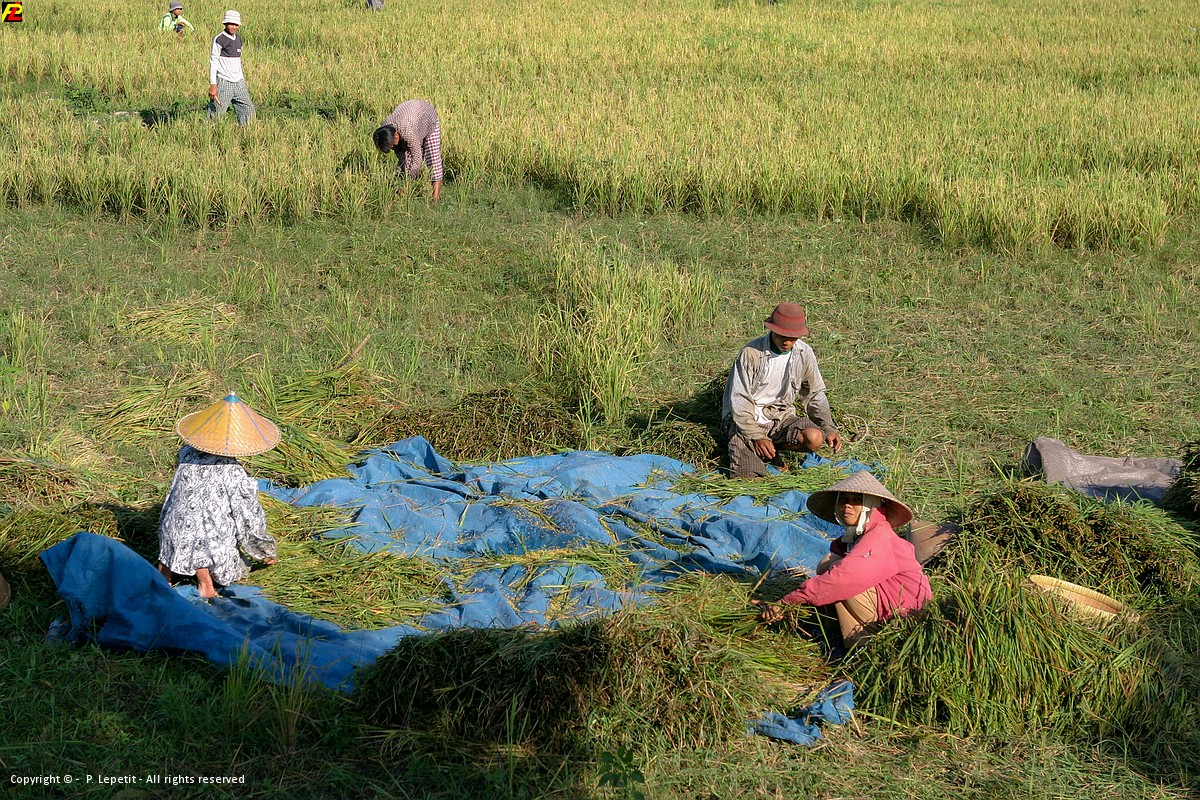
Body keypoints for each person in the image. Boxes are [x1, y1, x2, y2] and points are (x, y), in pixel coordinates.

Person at [752, 471, 932, 647]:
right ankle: (834, 634)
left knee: (841, 581)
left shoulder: (879, 536)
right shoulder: (851, 538)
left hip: (905, 617)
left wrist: (787, 601)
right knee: (829, 565)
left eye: (857, 500)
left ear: (872, 505)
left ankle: (866, 646)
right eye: (843, 499)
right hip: (885, 607)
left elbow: (843, 578)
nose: (847, 505)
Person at [157, 393, 280, 599]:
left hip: (171, 532)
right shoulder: (234, 473)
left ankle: (165, 573)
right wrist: (265, 551)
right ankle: (205, 583)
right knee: (223, 552)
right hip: (205, 544)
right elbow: (248, 519)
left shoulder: (186, 454)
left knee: (186, 522)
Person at [721, 302, 843, 478]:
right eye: (781, 336)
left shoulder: (804, 353)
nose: (786, 342)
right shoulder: (751, 353)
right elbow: (739, 399)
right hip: (745, 420)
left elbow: (814, 394)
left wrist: (828, 427)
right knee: (749, 477)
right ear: (772, 330)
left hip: (779, 415)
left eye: (792, 338)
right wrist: (756, 435)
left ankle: (772, 448)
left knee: (815, 438)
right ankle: (759, 450)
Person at [373, 100, 443, 202]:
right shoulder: (385, 129)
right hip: (411, 118)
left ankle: (435, 199)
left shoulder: (408, 131)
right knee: (405, 164)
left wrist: (408, 183)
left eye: (392, 145)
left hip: (428, 118)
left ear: (396, 135)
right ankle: (404, 192)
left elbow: (417, 159)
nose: (392, 147)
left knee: (433, 158)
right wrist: (403, 170)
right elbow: (400, 154)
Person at [208, 10, 255, 126]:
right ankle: (209, 133)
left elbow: (238, 62)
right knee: (216, 113)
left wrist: (242, 79)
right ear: (225, 23)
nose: (233, 27)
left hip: (239, 82)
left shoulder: (238, 39)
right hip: (224, 82)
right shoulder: (219, 39)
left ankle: (247, 132)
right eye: (231, 24)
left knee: (248, 110)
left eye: (236, 24)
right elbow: (214, 61)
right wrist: (213, 85)